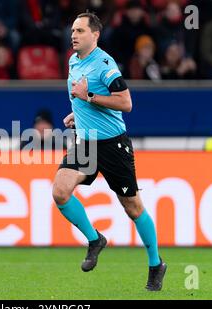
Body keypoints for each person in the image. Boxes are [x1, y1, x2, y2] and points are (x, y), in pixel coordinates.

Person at [52, 12, 167, 291]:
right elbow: (82, 98)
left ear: (95, 35)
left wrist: (88, 97)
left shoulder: (105, 65)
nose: (74, 35)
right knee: (60, 191)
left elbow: (126, 103)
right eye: (72, 30)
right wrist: (75, 113)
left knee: (133, 206)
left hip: (113, 144)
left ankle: (155, 263)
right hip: (86, 141)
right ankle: (94, 240)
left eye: (80, 30)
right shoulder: (73, 61)